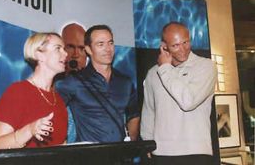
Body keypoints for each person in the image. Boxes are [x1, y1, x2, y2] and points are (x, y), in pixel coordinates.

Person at [140, 22, 217, 165]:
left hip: (196, 152)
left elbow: (188, 101)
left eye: (185, 42)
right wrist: (147, 143)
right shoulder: (152, 73)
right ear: (164, 46)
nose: (182, 49)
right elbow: (149, 112)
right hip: (161, 153)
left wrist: (165, 68)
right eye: (175, 45)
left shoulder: (206, 66)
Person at [56, 24, 140, 143]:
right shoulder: (74, 81)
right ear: (88, 49)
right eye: (101, 44)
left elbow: (134, 114)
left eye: (110, 43)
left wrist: (130, 143)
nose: (108, 49)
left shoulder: (125, 82)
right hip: (89, 157)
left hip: (120, 157)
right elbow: (52, 113)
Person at [0, 32, 68, 149]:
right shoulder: (18, 92)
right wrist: (30, 129)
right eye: (58, 48)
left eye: (64, 49)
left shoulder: (58, 100)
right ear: (39, 55)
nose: (66, 53)